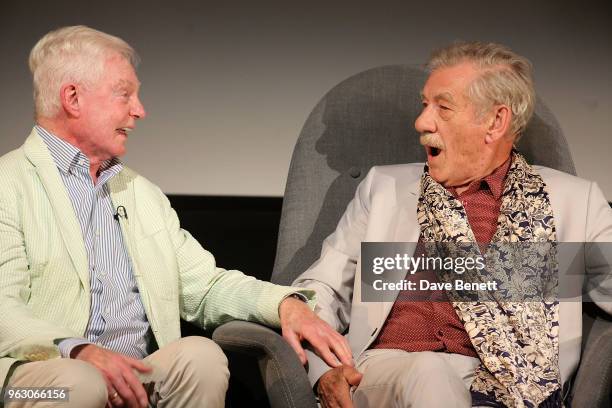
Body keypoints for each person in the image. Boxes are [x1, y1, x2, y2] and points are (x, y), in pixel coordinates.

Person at [0, 25, 352, 408]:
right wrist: (80, 351)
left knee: (200, 357)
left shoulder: (141, 194)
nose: (140, 110)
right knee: (80, 384)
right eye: (125, 95)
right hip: (33, 382)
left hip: (133, 378)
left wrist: (284, 304)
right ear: (72, 97)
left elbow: (205, 286)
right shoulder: (9, 184)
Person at [293, 41, 612, 407]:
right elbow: (322, 289)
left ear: (495, 121)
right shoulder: (385, 190)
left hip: (512, 387)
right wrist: (322, 371)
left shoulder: (573, 202)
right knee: (430, 372)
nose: (422, 122)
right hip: (388, 372)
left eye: (442, 108)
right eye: (424, 105)